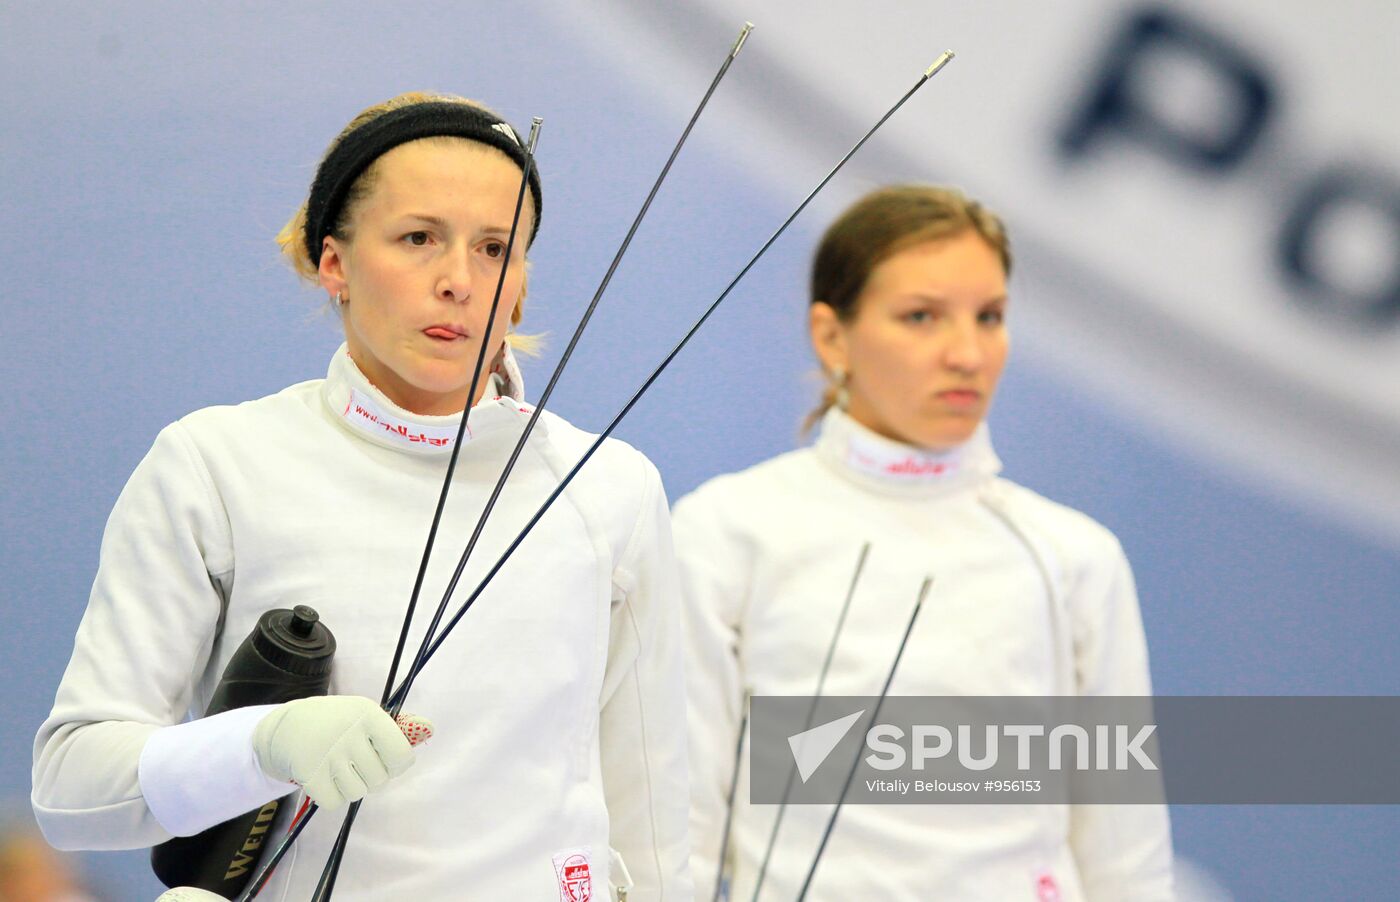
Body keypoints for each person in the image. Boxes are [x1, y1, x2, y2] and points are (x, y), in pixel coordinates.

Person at [31, 92, 692, 901]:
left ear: (519, 283)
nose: (458, 281)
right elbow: (71, 791)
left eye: (495, 249)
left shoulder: (609, 486)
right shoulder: (217, 463)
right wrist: (264, 742)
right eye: (418, 238)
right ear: (334, 262)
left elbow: (652, 811)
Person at [675, 185, 1173, 900]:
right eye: (921, 317)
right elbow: (680, 823)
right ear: (832, 336)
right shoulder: (727, 532)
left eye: (990, 317)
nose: (968, 354)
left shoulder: (1072, 558)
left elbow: (1129, 858)